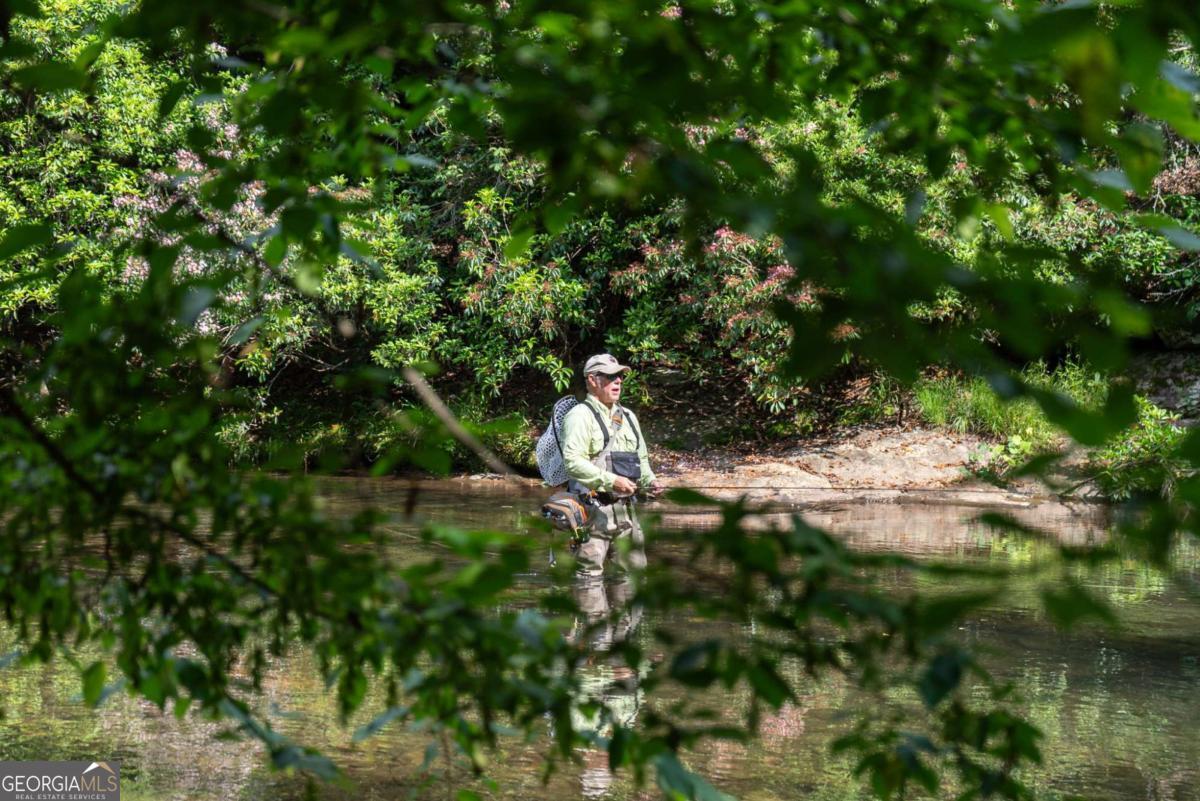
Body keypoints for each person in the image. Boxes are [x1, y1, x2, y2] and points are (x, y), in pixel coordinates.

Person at [559, 353, 662, 577]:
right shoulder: (579, 416)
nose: (618, 381)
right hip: (590, 512)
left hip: (626, 512)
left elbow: (641, 459)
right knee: (588, 578)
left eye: (620, 376)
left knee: (633, 578)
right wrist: (613, 481)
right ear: (592, 379)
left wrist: (650, 481)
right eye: (610, 376)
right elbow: (573, 463)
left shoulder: (629, 417)